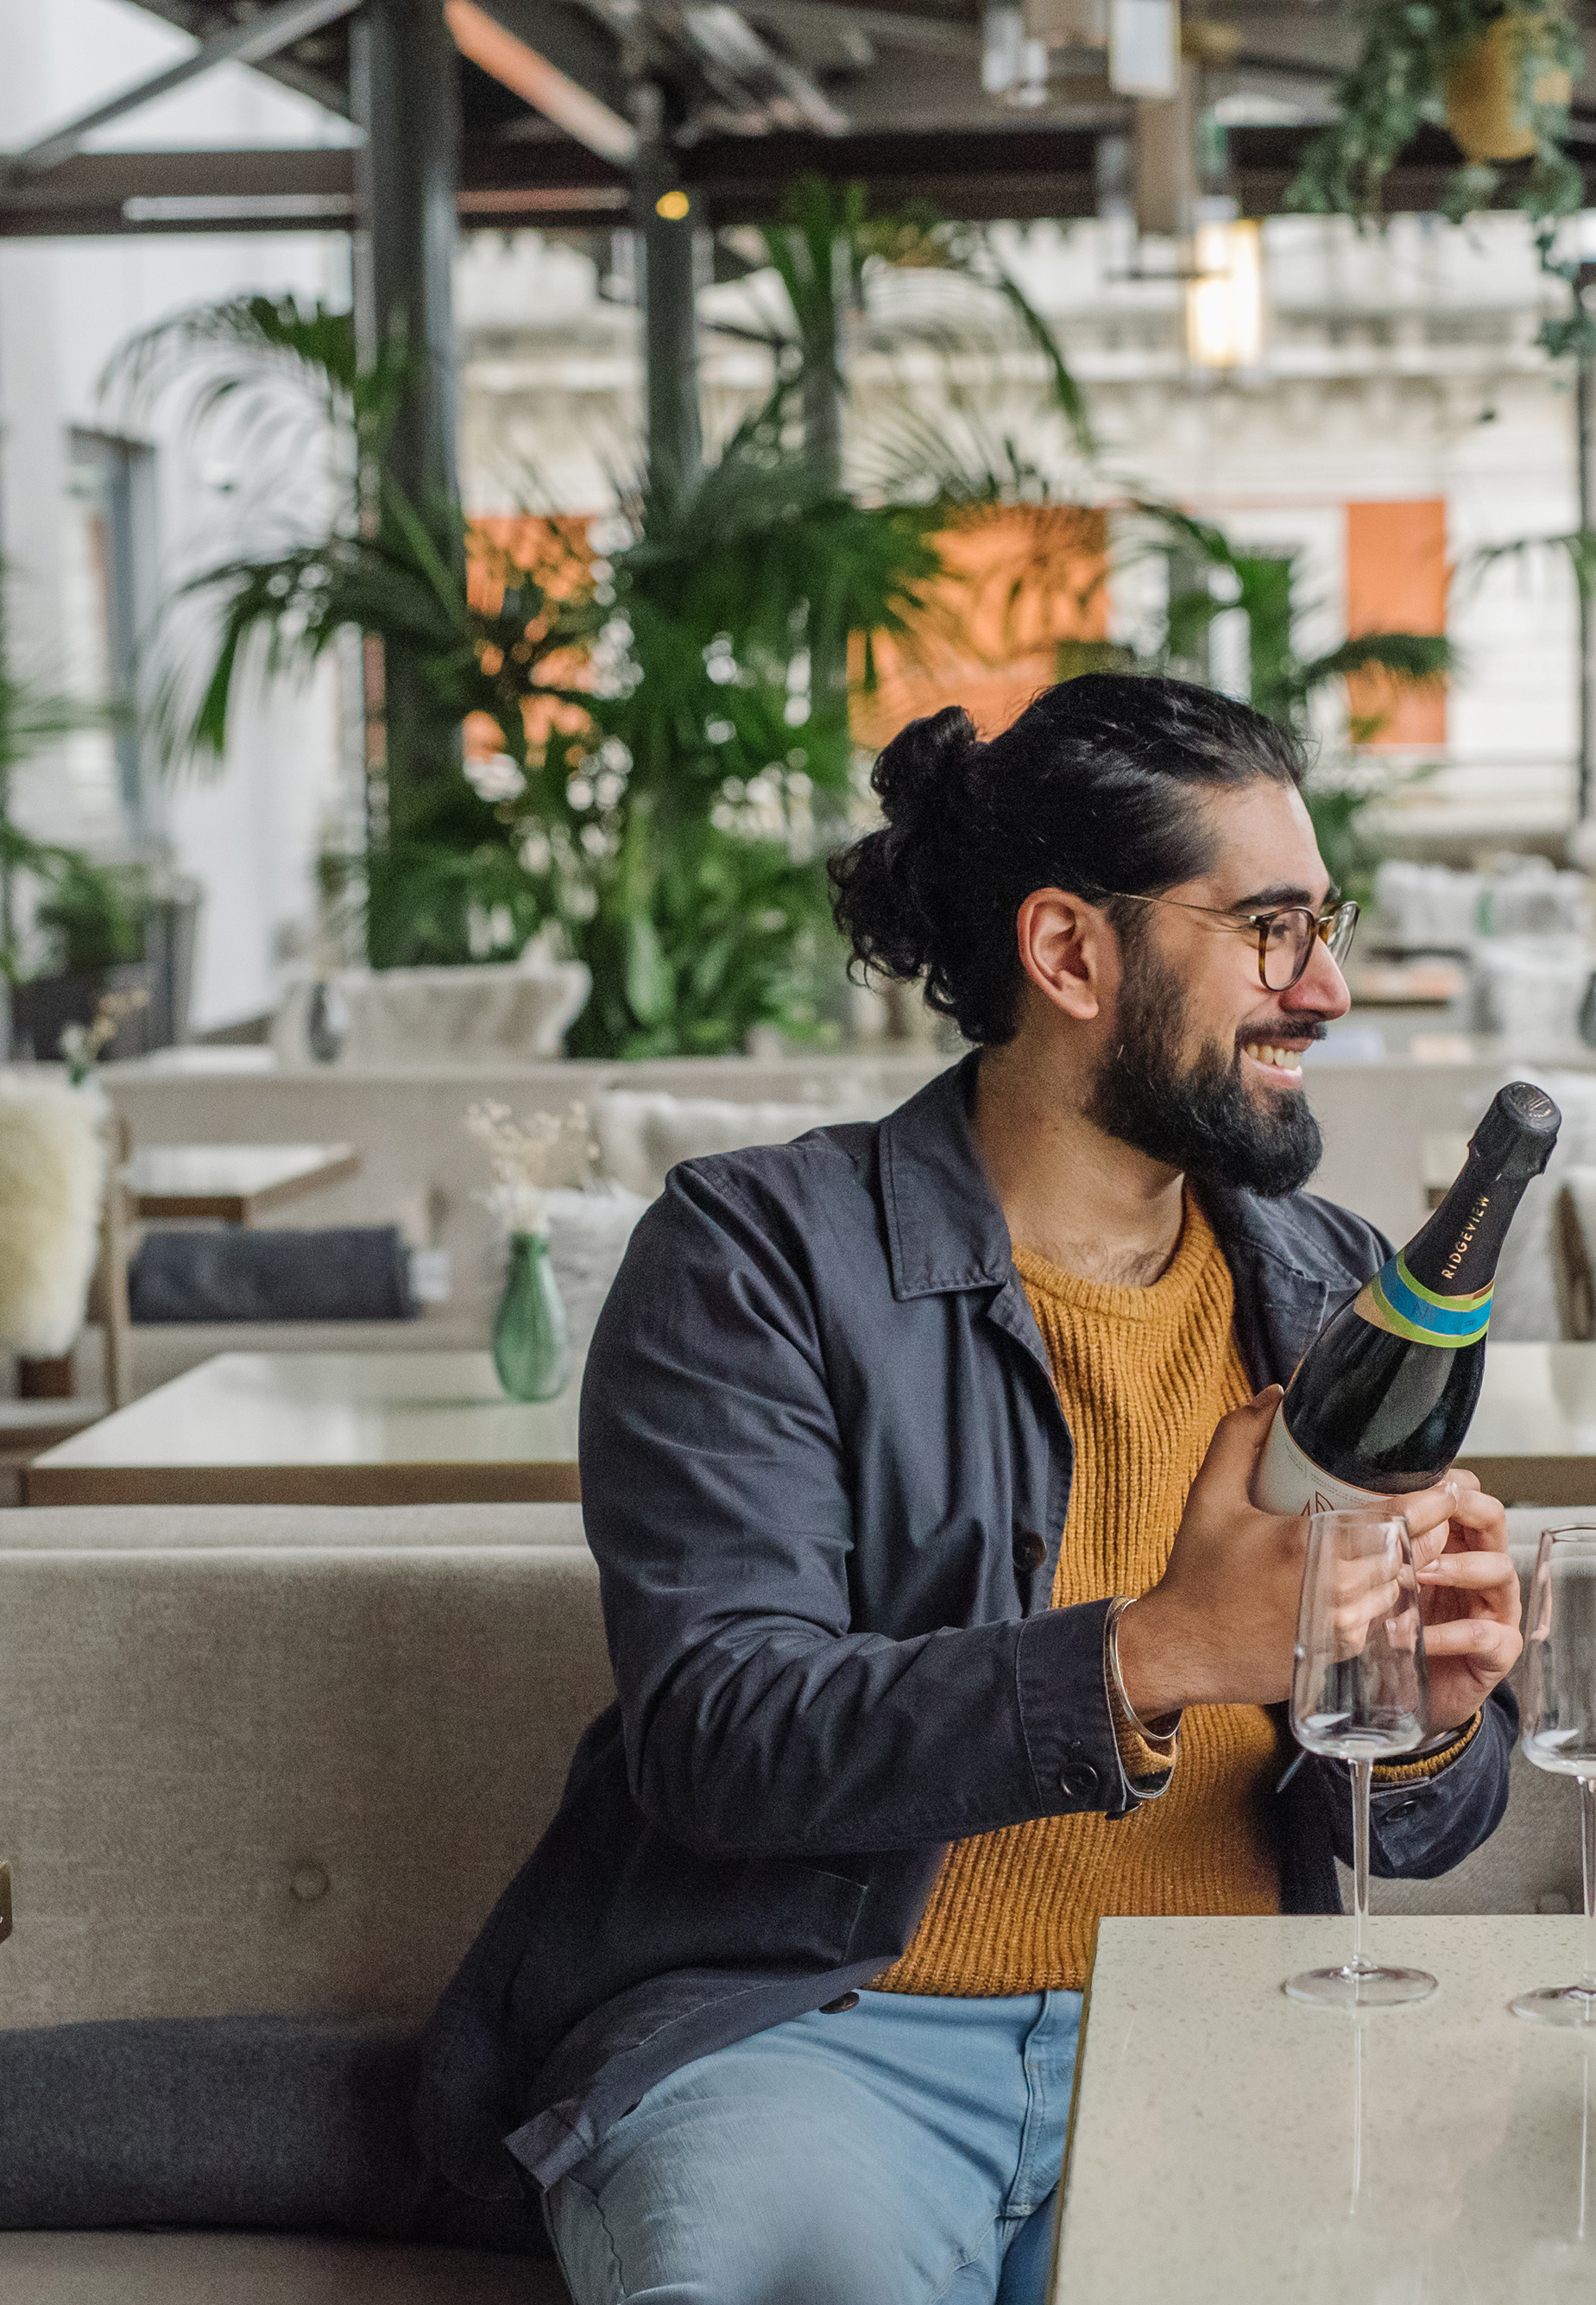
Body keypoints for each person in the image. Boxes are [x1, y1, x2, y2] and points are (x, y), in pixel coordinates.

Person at [414, 673, 1525, 2302]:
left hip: (1215, 2049)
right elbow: (719, 1731)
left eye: (1324, 923)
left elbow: (1415, 1820)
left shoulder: (1335, 1286)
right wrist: (1149, 1653)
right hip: (819, 2043)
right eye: (1272, 930)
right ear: (1070, 950)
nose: (1330, 987)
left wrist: (1423, 1714)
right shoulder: (758, 1254)